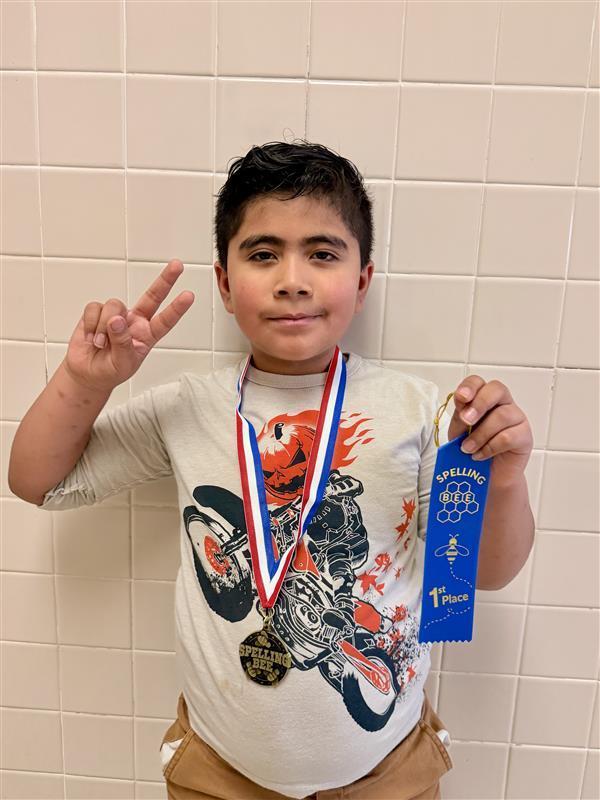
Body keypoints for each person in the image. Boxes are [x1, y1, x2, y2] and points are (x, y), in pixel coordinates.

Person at [8, 140, 535, 800]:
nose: (292, 279)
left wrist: (503, 479)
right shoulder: (189, 407)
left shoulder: (422, 411)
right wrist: (87, 382)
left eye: (322, 253)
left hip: (390, 773)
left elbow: (483, 572)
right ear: (225, 284)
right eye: (262, 254)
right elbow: (39, 482)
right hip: (218, 773)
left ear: (362, 280)